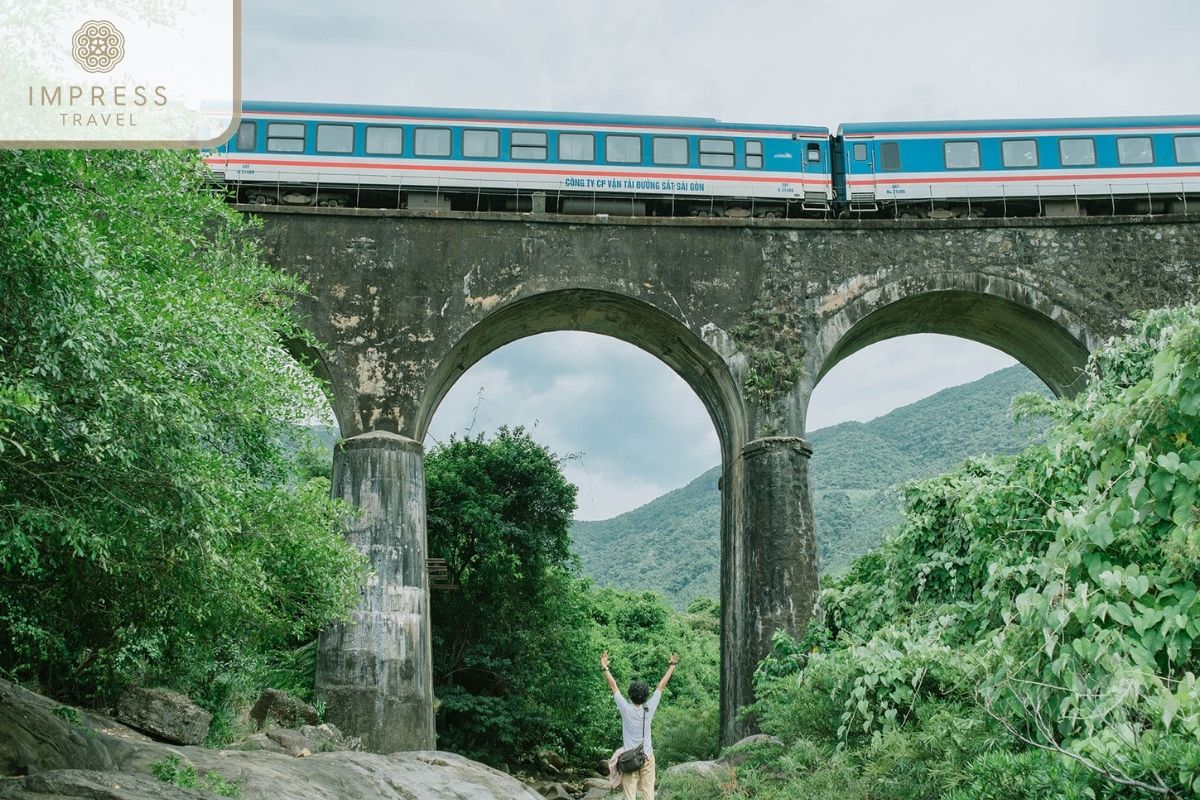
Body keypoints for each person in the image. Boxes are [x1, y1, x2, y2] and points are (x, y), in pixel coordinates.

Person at [601, 650, 678, 800]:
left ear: (629, 694)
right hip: (647, 757)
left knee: (630, 796)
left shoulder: (625, 708)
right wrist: (672, 666)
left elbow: (614, 686)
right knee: (649, 794)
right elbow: (661, 686)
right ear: (646, 696)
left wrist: (605, 667)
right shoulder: (649, 708)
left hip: (629, 759)